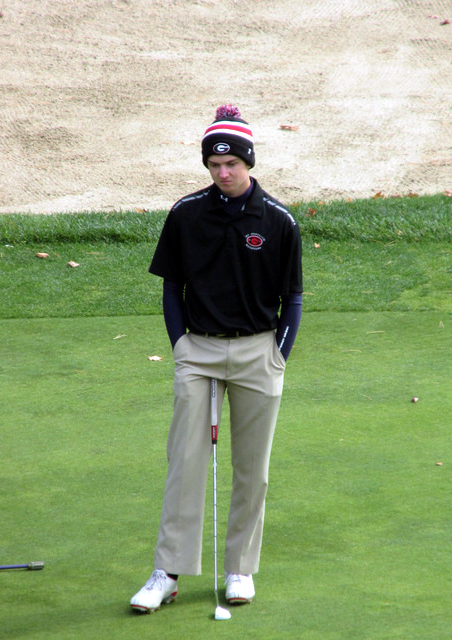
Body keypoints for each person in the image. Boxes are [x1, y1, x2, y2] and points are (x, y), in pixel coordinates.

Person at [130, 105, 303, 613]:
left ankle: (239, 570)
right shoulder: (186, 214)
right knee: (184, 463)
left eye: (231, 164)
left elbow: (292, 297)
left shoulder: (279, 221)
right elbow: (172, 287)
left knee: (253, 469)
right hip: (199, 352)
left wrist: (278, 354)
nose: (223, 173)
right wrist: (180, 344)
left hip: (258, 352)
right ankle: (167, 573)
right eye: (214, 164)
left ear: (249, 162)